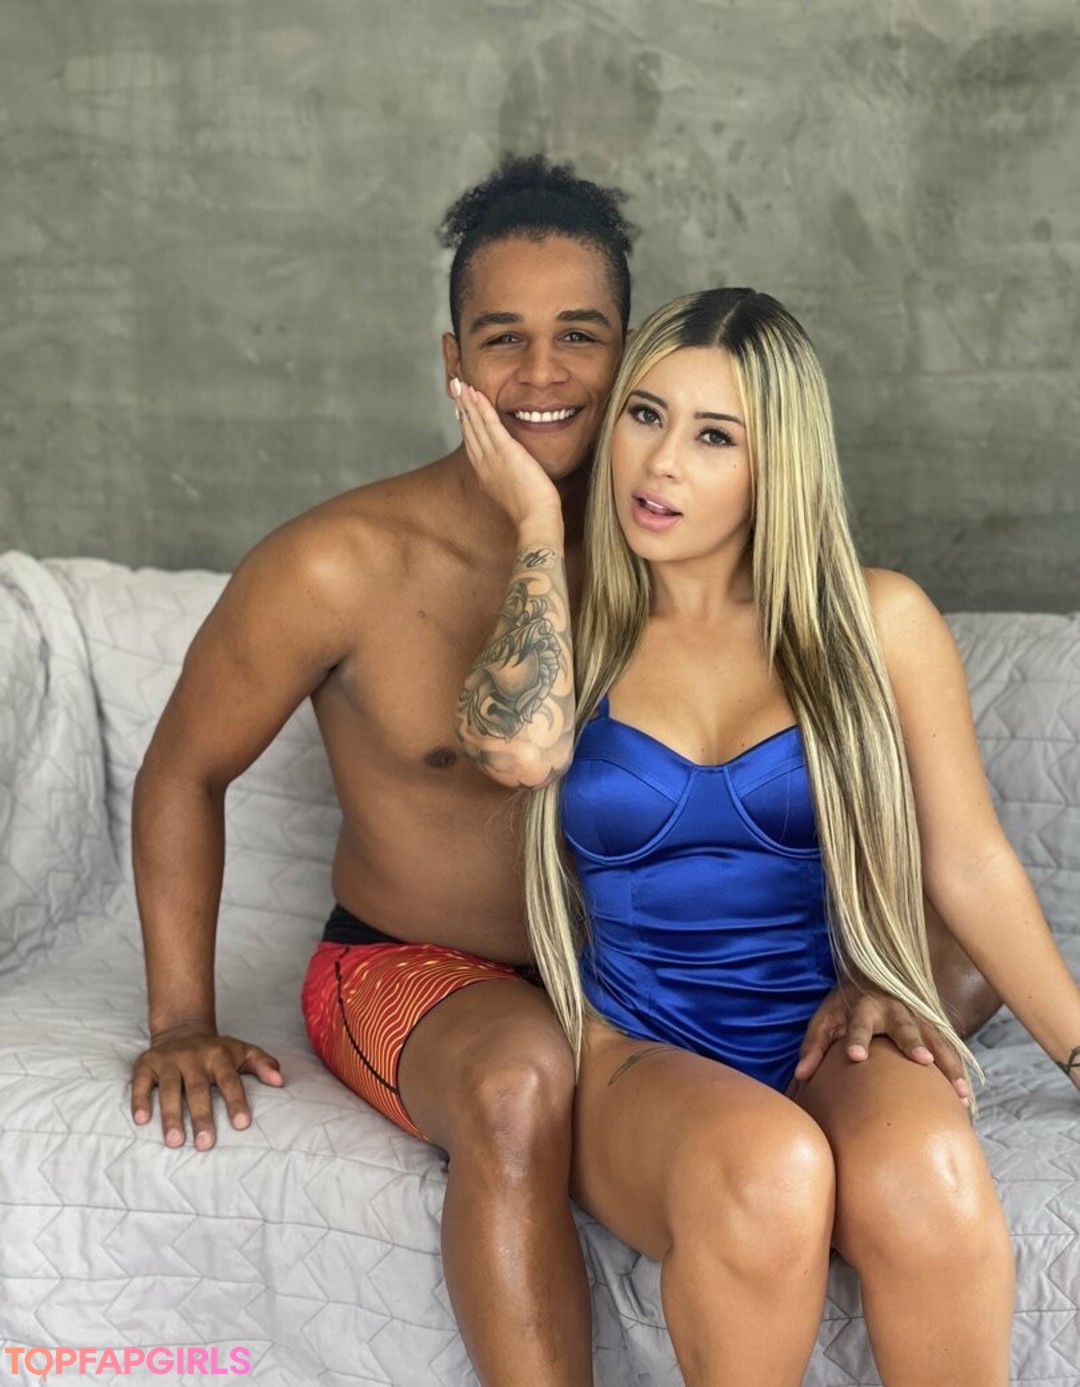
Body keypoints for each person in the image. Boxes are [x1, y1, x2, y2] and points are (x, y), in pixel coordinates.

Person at [130, 153, 998, 1387]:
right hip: (427, 964)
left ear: (632, 352)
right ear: (453, 360)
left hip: (648, 988)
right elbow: (181, 769)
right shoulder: (339, 562)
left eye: (580, 337)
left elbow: (887, 826)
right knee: (518, 1080)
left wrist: (883, 976)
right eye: (504, 339)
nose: (542, 375)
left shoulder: (693, 541)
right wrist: (179, 1019)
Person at [453, 286, 1080, 1386]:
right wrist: (541, 526)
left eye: (714, 437)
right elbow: (512, 746)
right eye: (645, 415)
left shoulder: (877, 622)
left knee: (931, 1178)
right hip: (635, 1048)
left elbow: (970, 860)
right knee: (770, 1168)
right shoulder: (572, 626)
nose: (660, 465)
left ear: (774, 465)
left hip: (824, 1029)